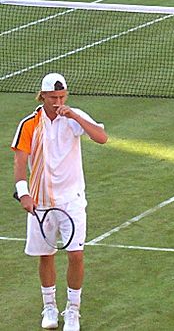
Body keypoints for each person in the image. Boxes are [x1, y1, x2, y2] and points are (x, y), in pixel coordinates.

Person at [11, 73, 108, 330]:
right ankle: (50, 308)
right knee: (46, 256)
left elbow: (102, 137)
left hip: (72, 200)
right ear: (42, 96)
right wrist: (24, 194)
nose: (58, 101)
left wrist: (75, 116)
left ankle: (73, 310)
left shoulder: (74, 117)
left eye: (62, 96)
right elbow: (20, 162)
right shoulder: (29, 124)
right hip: (40, 203)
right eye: (53, 97)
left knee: (76, 254)